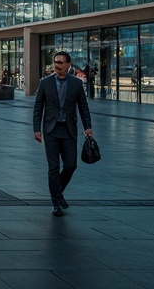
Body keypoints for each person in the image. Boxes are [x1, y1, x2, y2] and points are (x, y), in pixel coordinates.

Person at [33, 50, 93, 216]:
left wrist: (87, 126)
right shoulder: (45, 83)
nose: (57, 65)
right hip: (51, 130)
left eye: (61, 62)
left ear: (68, 65)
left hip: (68, 130)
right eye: (56, 62)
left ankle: (57, 194)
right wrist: (36, 129)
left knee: (70, 165)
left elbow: (83, 107)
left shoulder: (76, 83)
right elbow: (38, 107)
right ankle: (56, 202)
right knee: (53, 167)